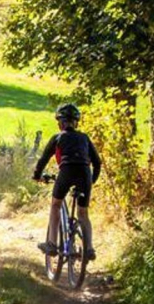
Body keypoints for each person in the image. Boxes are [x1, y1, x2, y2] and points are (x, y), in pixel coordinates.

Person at [32, 102, 102, 261]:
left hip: (67, 171)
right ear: (76, 123)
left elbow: (43, 159)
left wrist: (37, 175)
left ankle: (51, 244)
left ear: (60, 123)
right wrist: (92, 181)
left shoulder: (58, 137)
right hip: (85, 173)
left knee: (56, 205)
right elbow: (97, 163)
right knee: (83, 213)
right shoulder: (84, 138)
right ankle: (89, 249)